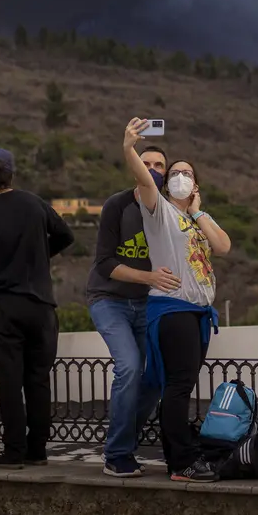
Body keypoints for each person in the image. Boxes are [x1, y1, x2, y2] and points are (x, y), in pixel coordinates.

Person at [121, 119, 232, 483]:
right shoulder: (160, 212)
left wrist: (198, 211)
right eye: (175, 173)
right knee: (178, 385)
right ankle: (180, 461)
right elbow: (142, 178)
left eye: (187, 173)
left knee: (180, 384)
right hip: (173, 309)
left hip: (197, 313)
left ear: (196, 184)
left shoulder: (197, 219)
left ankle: (180, 457)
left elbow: (223, 246)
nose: (180, 177)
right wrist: (129, 148)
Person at [0, 148, 74, 470]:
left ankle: (13, 451)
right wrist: (39, 257)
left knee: (9, 381)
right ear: (12, 174)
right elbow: (66, 235)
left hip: (2, 307)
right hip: (40, 306)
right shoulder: (35, 204)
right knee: (38, 379)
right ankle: (37, 449)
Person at [86, 144, 181, 479]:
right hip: (108, 299)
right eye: (146, 163)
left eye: (159, 165)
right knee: (128, 367)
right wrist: (148, 277)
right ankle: (117, 453)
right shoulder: (118, 205)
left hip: (148, 304)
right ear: (134, 167)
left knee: (153, 378)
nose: (152, 169)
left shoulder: (168, 210)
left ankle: (124, 440)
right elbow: (105, 263)